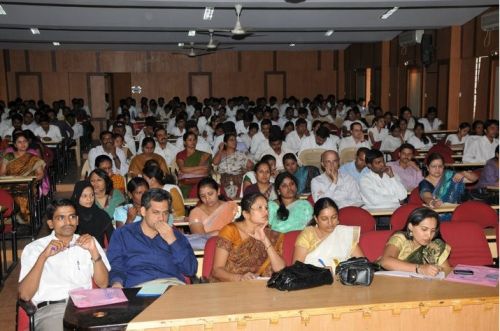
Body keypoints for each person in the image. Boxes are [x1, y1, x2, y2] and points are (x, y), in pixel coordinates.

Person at [18, 199, 110, 331]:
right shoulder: (35, 249)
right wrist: (43, 257)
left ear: (77, 220)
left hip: (86, 308)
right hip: (52, 312)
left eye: (72, 217)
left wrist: (93, 251)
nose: (68, 222)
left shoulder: (88, 242)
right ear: (50, 223)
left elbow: (103, 283)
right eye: (61, 218)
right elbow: (25, 295)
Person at [107, 189, 197, 287]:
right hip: (138, 287)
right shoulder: (123, 234)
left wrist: (173, 241)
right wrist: (117, 283)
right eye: (156, 212)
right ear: (143, 211)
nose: (162, 218)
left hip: (172, 286)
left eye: (165, 213)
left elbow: (191, 270)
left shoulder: (175, 236)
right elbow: (116, 267)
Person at [211, 192, 285, 282]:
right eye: (259, 208)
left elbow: (280, 269)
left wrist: (265, 240)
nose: (266, 211)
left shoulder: (270, 234)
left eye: (266, 208)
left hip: (257, 286)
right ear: (246, 214)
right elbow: (217, 270)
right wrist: (240, 278)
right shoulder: (230, 230)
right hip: (229, 285)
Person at [293, 197, 364, 270]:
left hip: (342, 279)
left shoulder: (345, 233)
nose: (330, 223)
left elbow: (362, 263)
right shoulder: (307, 235)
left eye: (334, 217)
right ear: (316, 219)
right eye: (324, 219)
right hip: (314, 280)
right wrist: (319, 272)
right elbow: (297, 268)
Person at [378, 207, 451, 276]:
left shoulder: (435, 245)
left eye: (433, 231)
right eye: (424, 229)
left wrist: (436, 270)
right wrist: (419, 268)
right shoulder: (400, 238)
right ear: (410, 227)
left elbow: (446, 271)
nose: (429, 235)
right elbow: (385, 261)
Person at [0, 131, 46, 224]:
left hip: (27, 185)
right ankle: (7, 217)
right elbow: (2, 173)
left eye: (25, 141)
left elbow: (40, 174)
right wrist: (11, 179)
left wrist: (29, 180)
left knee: (23, 194)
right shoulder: (9, 156)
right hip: (9, 184)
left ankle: (23, 218)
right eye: (19, 142)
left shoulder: (34, 158)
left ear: (28, 143)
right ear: (15, 145)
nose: (23, 144)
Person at [71, 180, 114, 247]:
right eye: (84, 196)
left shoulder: (102, 215)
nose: (89, 199)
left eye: (92, 195)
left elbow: (113, 240)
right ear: (77, 196)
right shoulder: (71, 216)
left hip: (99, 253)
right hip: (76, 253)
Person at [213, 132, 253, 199]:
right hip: (224, 178)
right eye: (231, 140)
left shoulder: (240, 154)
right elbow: (215, 162)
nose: (234, 142)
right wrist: (220, 149)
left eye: (235, 140)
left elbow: (251, 165)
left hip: (238, 178)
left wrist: (246, 170)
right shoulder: (221, 153)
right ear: (225, 143)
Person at [176, 131, 211, 198]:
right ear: (184, 142)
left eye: (194, 139)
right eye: (190, 140)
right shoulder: (180, 154)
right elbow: (182, 169)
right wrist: (200, 166)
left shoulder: (203, 155)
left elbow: (205, 170)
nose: (193, 142)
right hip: (185, 184)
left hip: (202, 183)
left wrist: (187, 172)